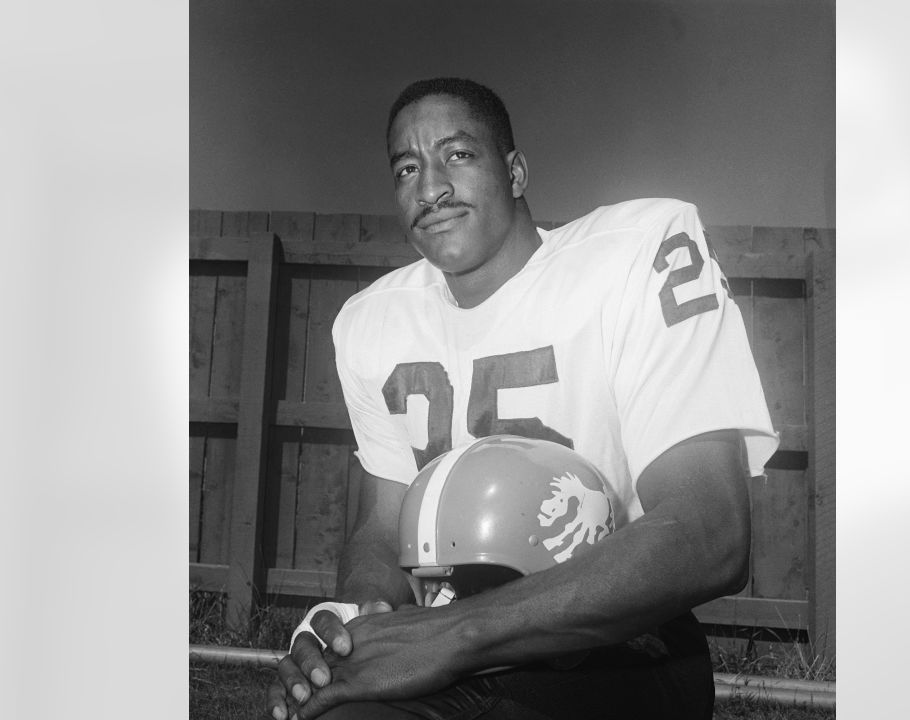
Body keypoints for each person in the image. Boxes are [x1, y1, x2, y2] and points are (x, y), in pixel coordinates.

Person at [267, 77, 778, 720]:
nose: (430, 189)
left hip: (620, 644)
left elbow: (711, 532)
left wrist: (452, 638)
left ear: (514, 171)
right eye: (407, 168)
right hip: (450, 628)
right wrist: (356, 623)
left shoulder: (637, 251)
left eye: (457, 155)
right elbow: (382, 523)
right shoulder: (371, 321)